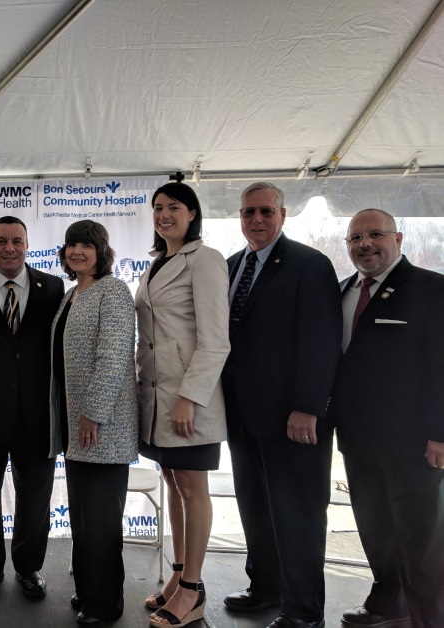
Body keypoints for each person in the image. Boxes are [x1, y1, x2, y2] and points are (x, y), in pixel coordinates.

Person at [222, 182, 342, 628]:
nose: (256, 219)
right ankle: (265, 588)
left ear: (283, 214)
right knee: (255, 507)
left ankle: (304, 612)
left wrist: (308, 406)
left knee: (298, 515)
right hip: (242, 416)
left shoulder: (310, 264)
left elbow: (322, 341)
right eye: (248, 212)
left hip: (294, 419)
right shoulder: (232, 265)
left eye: (265, 211)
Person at [328, 209, 444, 628]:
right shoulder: (342, 291)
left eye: (375, 234)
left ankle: (429, 619)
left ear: (398, 238)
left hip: (413, 444)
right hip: (358, 440)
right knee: (376, 529)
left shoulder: (432, 289)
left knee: (422, 541)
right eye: (355, 238)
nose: (365, 244)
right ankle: (388, 604)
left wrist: (440, 433)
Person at [135, 183, 230, 628]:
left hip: (189, 400)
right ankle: (178, 573)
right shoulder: (156, 263)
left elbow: (216, 341)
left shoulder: (205, 260)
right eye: (158, 207)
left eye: (174, 207)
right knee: (172, 483)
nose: (164, 214)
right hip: (156, 398)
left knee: (193, 488)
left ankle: (193, 589)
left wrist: (189, 398)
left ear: (192, 213)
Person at [0, 216, 64, 600]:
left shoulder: (52, 288)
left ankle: (29, 567)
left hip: (37, 414)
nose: (9, 248)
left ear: (27, 245)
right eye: (1, 241)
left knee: (36, 496)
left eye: (16, 241)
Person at [49, 219, 138, 626]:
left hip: (103, 426)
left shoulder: (113, 291)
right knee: (84, 519)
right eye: (72, 245)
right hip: (76, 426)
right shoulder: (71, 295)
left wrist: (94, 413)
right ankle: (88, 591)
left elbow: (114, 355)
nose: (77, 251)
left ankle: (105, 605)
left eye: (86, 245)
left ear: (101, 251)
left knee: (101, 522)